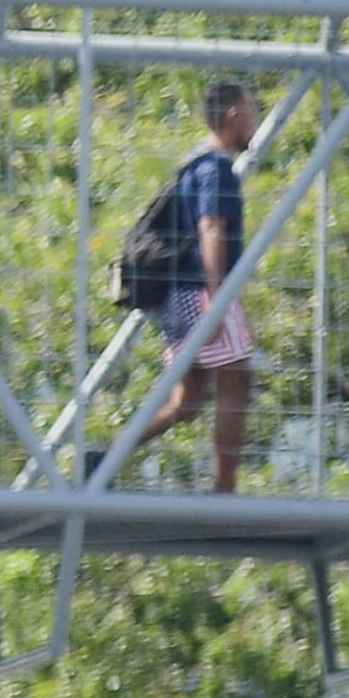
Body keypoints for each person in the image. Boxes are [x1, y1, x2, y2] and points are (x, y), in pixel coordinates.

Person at [116, 78, 262, 495]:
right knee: (237, 382)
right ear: (234, 117)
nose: (255, 122)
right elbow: (211, 229)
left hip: (175, 297)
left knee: (188, 401)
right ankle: (225, 490)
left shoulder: (192, 166)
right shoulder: (216, 169)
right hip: (203, 288)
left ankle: (106, 455)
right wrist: (217, 299)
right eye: (252, 113)